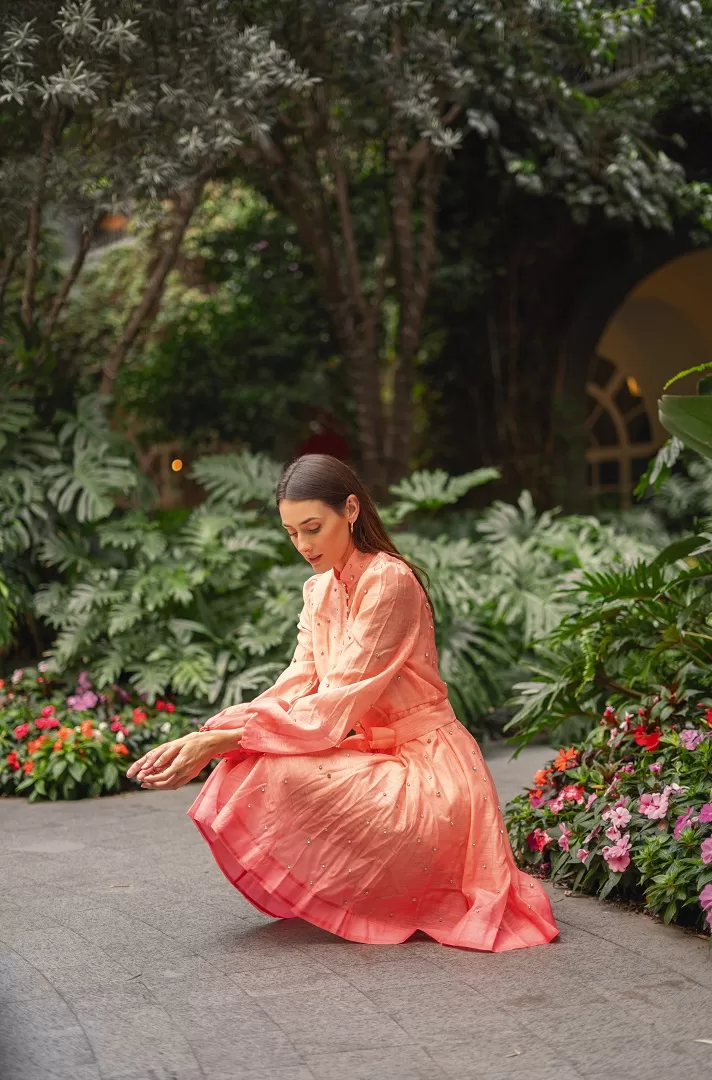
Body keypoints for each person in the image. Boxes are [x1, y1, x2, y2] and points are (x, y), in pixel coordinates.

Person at [127, 454, 559, 951]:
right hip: (378, 754)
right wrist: (211, 737)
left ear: (350, 510)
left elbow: (333, 704)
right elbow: (297, 684)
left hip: (433, 770)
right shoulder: (318, 591)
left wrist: (223, 740)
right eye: (291, 533)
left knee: (271, 767)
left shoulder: (388, 580)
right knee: (249, 764)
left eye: (312, 528)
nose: (304, 546)